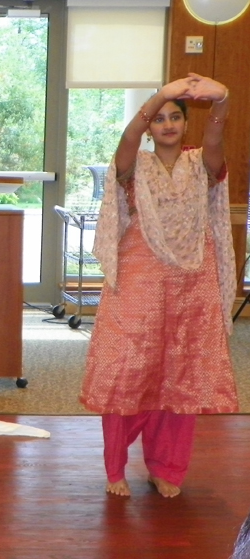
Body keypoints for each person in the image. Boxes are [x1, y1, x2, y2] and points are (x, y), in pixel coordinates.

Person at [80, 74, 238, 498]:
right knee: (126, 368)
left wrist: (221, 97)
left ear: (186, 124)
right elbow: (127, 138)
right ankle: (115, 468)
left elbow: (218, 131)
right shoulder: (136, 164)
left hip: (192, 281)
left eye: (175, 117)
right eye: (159, 118)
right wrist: (161, 94)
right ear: (150, 125)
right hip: (139, 275)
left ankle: (166, 465)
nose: (166, 124)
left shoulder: (201, 163)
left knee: (179, 373)